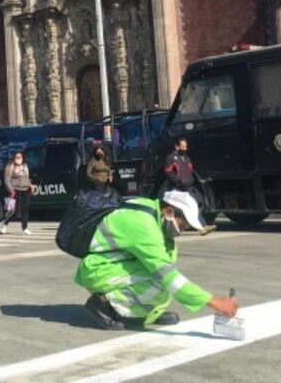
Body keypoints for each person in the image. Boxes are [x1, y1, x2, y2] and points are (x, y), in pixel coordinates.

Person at [77, 190, 238, 331]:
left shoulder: (152, 211)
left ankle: (146, 311)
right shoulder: (144, 226)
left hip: (114, 264)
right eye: (182, 226)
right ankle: (104, 305)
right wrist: (213, 301)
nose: (181, 231)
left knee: (164, 267)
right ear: (168, 212)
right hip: (98, 270)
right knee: (160, 281)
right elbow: (168, 276)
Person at [164, 138, 215, 235]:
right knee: (191, 204)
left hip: (184, 190)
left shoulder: (186, 158)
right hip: (173, 191)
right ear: (177, 146)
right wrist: (179, 181)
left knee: (190, 208)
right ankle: (201, 228)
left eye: (186, 147)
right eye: (183, 147)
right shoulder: (170, 157)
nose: (185, 149)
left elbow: (189, 172)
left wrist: (189, 181)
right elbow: (168, 173)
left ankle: (202, 227)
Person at [1, 151, 34, 235]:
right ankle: (5, 223)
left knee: (25, 209)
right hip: (15, 190)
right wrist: (11, 191)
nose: (18, 159)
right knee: (14, 211)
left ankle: (25, 228)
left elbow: (26, 178)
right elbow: (6, 180)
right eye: (17, 157)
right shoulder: (10, 166)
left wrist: (30, 185)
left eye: (20, 157)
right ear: (14, 158)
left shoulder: (25, 166)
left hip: (25, 189)